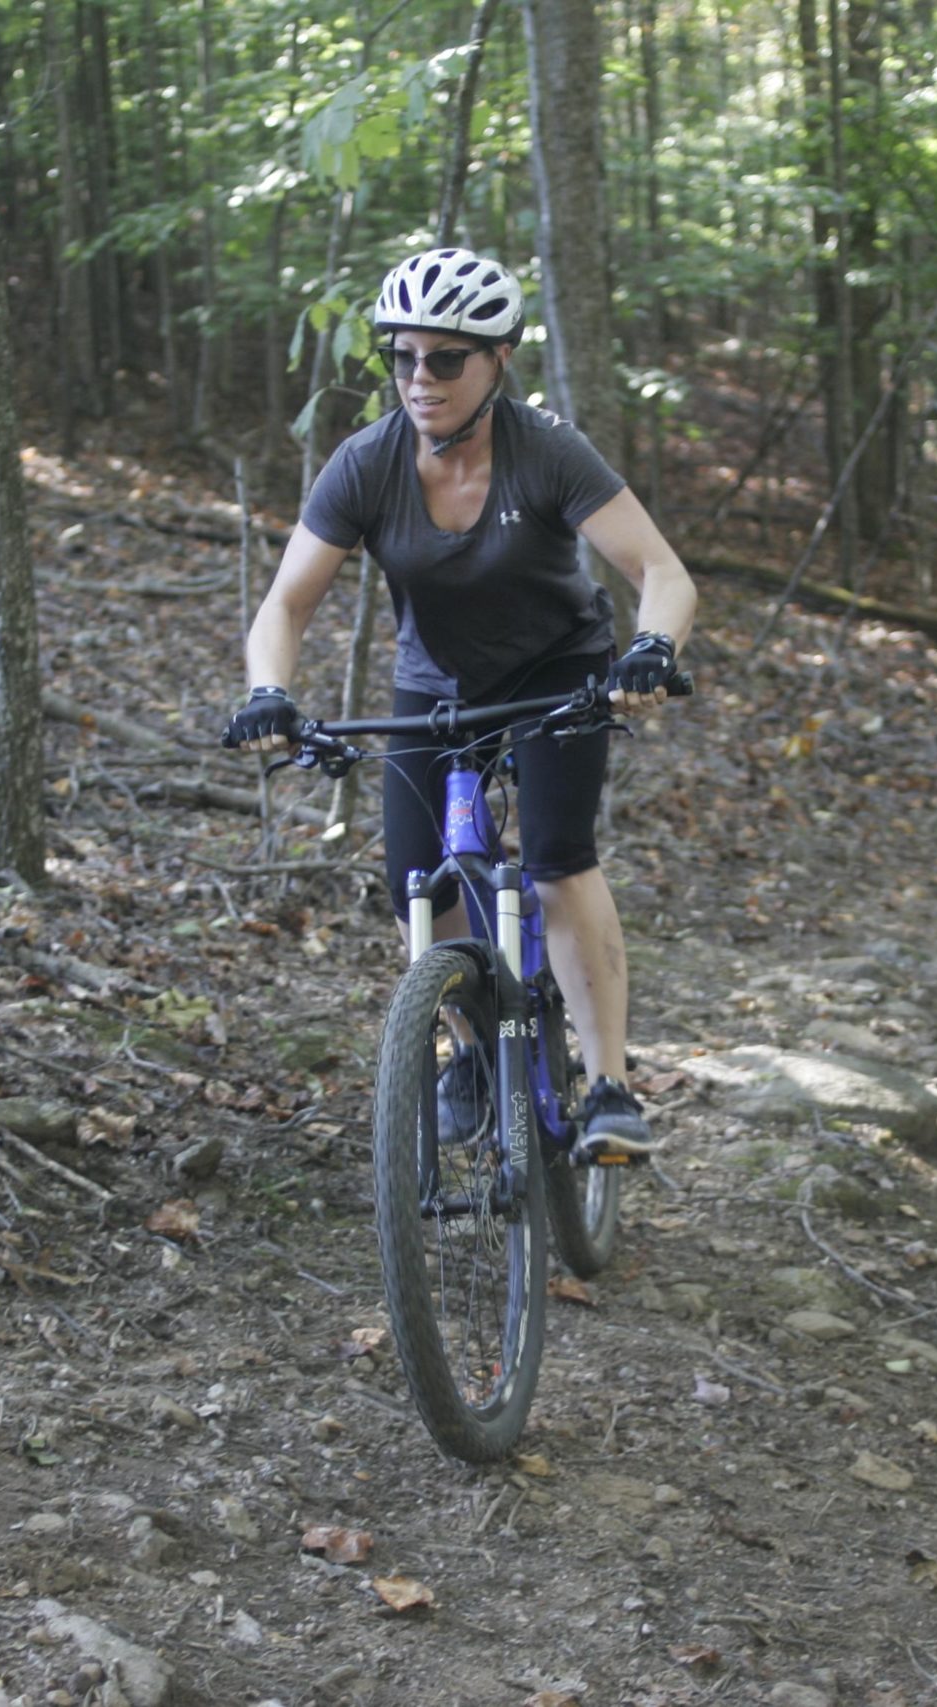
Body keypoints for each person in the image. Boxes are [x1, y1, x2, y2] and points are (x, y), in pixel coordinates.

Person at [222, 247, 698, 1158]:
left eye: (446, 358)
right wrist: (269, 691)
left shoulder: (546, 450)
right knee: (422, 885)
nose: (419, 377)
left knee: (558, 865)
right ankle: (472, 1053)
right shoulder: (367, 464)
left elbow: (662, 572)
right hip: (435, 688)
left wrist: (650, 648)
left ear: (497, 360)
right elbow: (284, 604)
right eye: (402, 356)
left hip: (557, 672)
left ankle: (607, 1086)